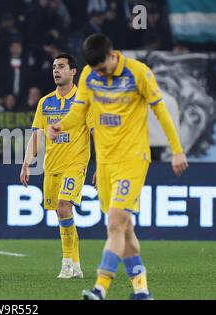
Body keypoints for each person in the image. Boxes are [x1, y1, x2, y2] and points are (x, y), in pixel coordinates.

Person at [48, 34, 188, 300]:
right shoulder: (89, 75)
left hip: (133, 159)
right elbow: (79, 111)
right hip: (105, 162)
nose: (101, 74)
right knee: (124, 229)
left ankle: (101, 288)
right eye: (96, 70)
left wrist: (177, 150)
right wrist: (60, 125)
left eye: (103, 68)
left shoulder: (138, 73)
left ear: (113, 55)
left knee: (114, 223)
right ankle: (142, 290)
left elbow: (161, 111)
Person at [21, 53, 93, 279]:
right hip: (51, 166)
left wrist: (101, 165)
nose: (56, 70)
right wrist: (26, 165)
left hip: (75, 162)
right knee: (63, 214)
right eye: (54, 66)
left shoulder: (83, 100)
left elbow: (95, 132)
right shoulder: (45, 102)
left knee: (63, 206)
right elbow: (36, 136)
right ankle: (77, 264)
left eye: (61, 66)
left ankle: (66, 263)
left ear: (73, 72)